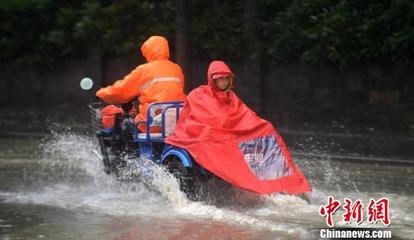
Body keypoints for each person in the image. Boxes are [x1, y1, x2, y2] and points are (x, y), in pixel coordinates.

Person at [166, 60, 311, 195]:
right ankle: (253, 180)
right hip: (209, 133)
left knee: (266, 129)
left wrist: (259, 125)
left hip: (229, 133)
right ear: (212, 79)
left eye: (225, 78)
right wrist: (218, 127)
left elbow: (244, 115)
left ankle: (280, 180)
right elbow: (198, 117)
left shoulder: (231, 96)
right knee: (212, 139)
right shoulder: (199, 95)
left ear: (230, 79)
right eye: (219, 79)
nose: (222, 82)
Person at [96, 35, 186, 133]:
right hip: (176, 122)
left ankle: (125, 148)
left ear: (147, 52)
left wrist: (101, 94)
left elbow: (121, 91)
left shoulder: (144, 70)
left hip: (151, 123)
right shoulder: (177, 69)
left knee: (123, 125)